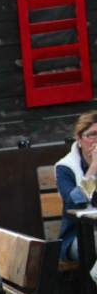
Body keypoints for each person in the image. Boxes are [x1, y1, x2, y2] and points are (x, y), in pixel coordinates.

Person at [55, 111, 97, 264]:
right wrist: (94, 167)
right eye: (92, 134)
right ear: (78, 138)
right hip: (77, 236)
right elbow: (73, 202)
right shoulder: (65, 167)